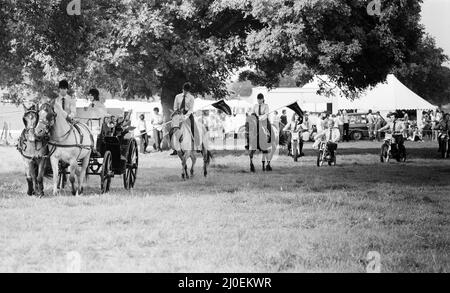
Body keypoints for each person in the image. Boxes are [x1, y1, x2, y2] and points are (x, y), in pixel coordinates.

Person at [173, 82, 200, 151]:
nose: (185, 92)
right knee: (174, 129)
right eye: (184, 90)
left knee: (194, 128)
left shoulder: (191, 97)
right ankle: (175, 147)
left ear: (189, 91)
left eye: (187, 91)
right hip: (178, 114)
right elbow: (175, 107)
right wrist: (178, 114)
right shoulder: (177, 96)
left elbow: (191, 109)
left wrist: (185, 116)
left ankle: (198, 145)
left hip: (188, 114)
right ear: (182, 89)